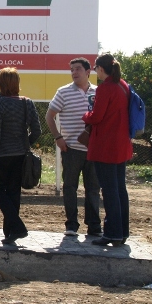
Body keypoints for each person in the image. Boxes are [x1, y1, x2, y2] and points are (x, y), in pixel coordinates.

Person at [45, 58, 102, 237]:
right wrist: (58, 137)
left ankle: (94, 226)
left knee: (93, 189)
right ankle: (71, 225)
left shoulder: (98, 92)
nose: (74, 72)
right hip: (71, 149)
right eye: (72, 69)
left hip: (94, 149)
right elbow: (49, 116)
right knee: (70, 187)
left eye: (78, 69)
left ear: (88, 72)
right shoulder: (63, 92)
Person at [0, 67, 41, 245]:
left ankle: (17, 228)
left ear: (0, 84)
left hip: (1, 156)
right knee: (13, 192)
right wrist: (25, 144)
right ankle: (10, 233)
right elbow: (37, 130)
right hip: (20, 156)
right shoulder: (27, 102)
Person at [83, 53, 132, 247]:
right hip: (121, 145)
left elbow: (96, 117)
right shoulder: (123, 85)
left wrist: (86, 115)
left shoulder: (105, 88)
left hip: (105, 146)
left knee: (109, 191)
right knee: (120, 189)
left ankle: (112, 233)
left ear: (101, 69)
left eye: (96, 68)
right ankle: (122, 232)